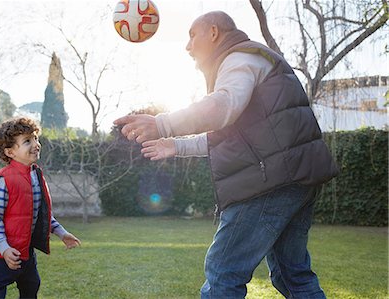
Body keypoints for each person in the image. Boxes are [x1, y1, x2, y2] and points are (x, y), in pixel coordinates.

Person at [114, 11, 338, 299]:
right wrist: (175, 145)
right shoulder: (250, 62)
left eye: (193, 35)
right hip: (294, 178)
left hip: (269, 183)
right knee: (291, 274)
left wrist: (161, 123)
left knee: (223, 272)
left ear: (214, 32)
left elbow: (222, 107)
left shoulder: (239, 58)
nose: (187, 46)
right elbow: (229, 135)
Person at [0, 117, 81, 299]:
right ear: (10, 152)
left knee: (31, 286)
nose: (36, 144)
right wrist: (4, 248)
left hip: (25, 251)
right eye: (27, 141)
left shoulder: (36, 175)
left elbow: (42, 214)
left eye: (36, 138)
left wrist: (61, 233)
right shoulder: (3, 181)